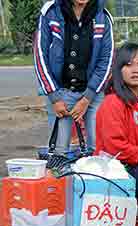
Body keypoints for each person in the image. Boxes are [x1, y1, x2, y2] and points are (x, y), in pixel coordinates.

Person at [34, 0, 113, 154]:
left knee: (98, 150)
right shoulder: (50, 13)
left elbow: (107, 59)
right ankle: (60, 175)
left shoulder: (103, 16)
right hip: (60, 92)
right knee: (58, 151)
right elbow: (40, 56)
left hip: (93, 94)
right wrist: (54, 97)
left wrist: (87, 97)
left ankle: (92, 178)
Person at [94, 43, 138, 206]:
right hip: (117, 171)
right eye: (129, 65)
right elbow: (116, 149)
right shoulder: (112, 103)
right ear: (119, 69)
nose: (136, 70)